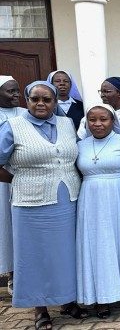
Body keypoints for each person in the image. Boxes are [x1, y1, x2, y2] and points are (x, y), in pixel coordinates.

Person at [0, 81, 89, 330]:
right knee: (34, 256)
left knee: (65, 254)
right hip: (30, 203)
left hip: (67, 199)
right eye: (35, 99)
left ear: (54, 102)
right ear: (26, 101)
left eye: (47, 99)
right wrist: (17, 179)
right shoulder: (13, 126)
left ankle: (68, 302)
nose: (41, 104)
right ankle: (40, 309)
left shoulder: (66, 123)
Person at [76, 104, 120, 318]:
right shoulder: (81, 146)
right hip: (91, 204)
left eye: (103, 119)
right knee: (98, 248)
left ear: (113, 121)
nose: (97, 124)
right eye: (92, 120)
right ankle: (101, 298)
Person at [0, 76, 24, 292]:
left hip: (24, 178)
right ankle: (11, 272)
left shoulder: (26, 114)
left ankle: (24, 270)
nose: (16, 94)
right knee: (5, 225)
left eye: (17, 91)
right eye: (10, 91)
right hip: (3, 181)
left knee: (21, 226)